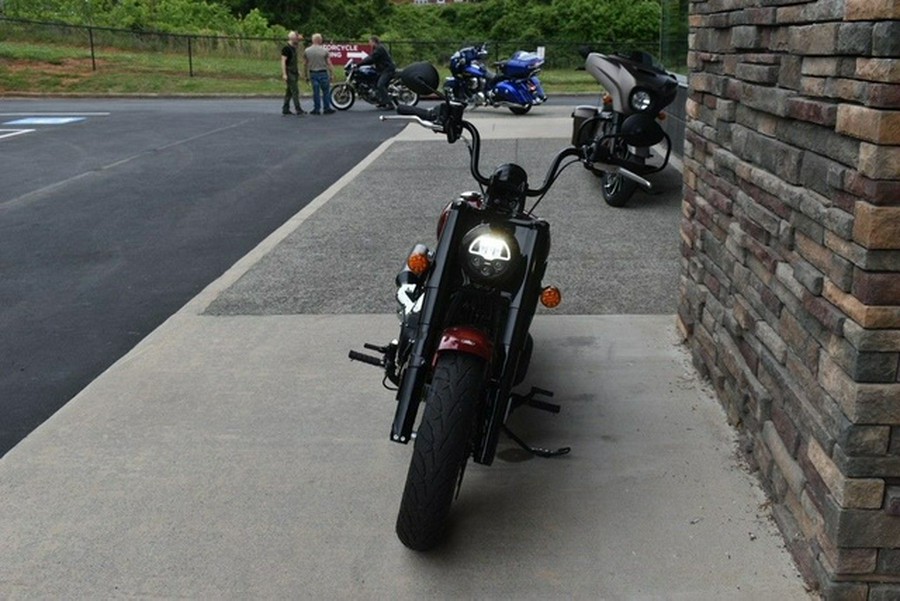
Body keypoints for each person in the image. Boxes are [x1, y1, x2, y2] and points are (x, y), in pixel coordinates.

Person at [360, 35, 396, 109]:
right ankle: (381, 101)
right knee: (376, 83)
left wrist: (359, 63)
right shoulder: (378, 48)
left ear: (374, 42)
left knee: (380, 85)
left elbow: (371, 58)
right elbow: (372, 58)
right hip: (383, 69)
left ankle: (389, 104)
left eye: (370, 42)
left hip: (388, 69)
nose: (369, 44)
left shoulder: (379, 48)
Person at [304, 33, 335, 115]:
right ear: (319, 40)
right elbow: (329, 63)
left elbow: (305, 64)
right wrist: (332, 74)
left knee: (316, 92)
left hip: (313, 73)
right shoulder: (324, 51)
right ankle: (326, 108)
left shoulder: (307, 51)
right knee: (326, 91)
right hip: (323, 72)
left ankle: (316, 109)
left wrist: (306, 75)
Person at [280, 31, 306, 115]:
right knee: (295, 91)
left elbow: (294, 61)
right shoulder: (286, 48)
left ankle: (285, 108)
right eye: (296, 37)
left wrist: (297, 70)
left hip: (294, 71)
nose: (297, 39)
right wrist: (284, 74)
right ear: (292, 38)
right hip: (289, 72)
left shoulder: (294, 47)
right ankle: (298, 108)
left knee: (289, 91)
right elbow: (283, 61)